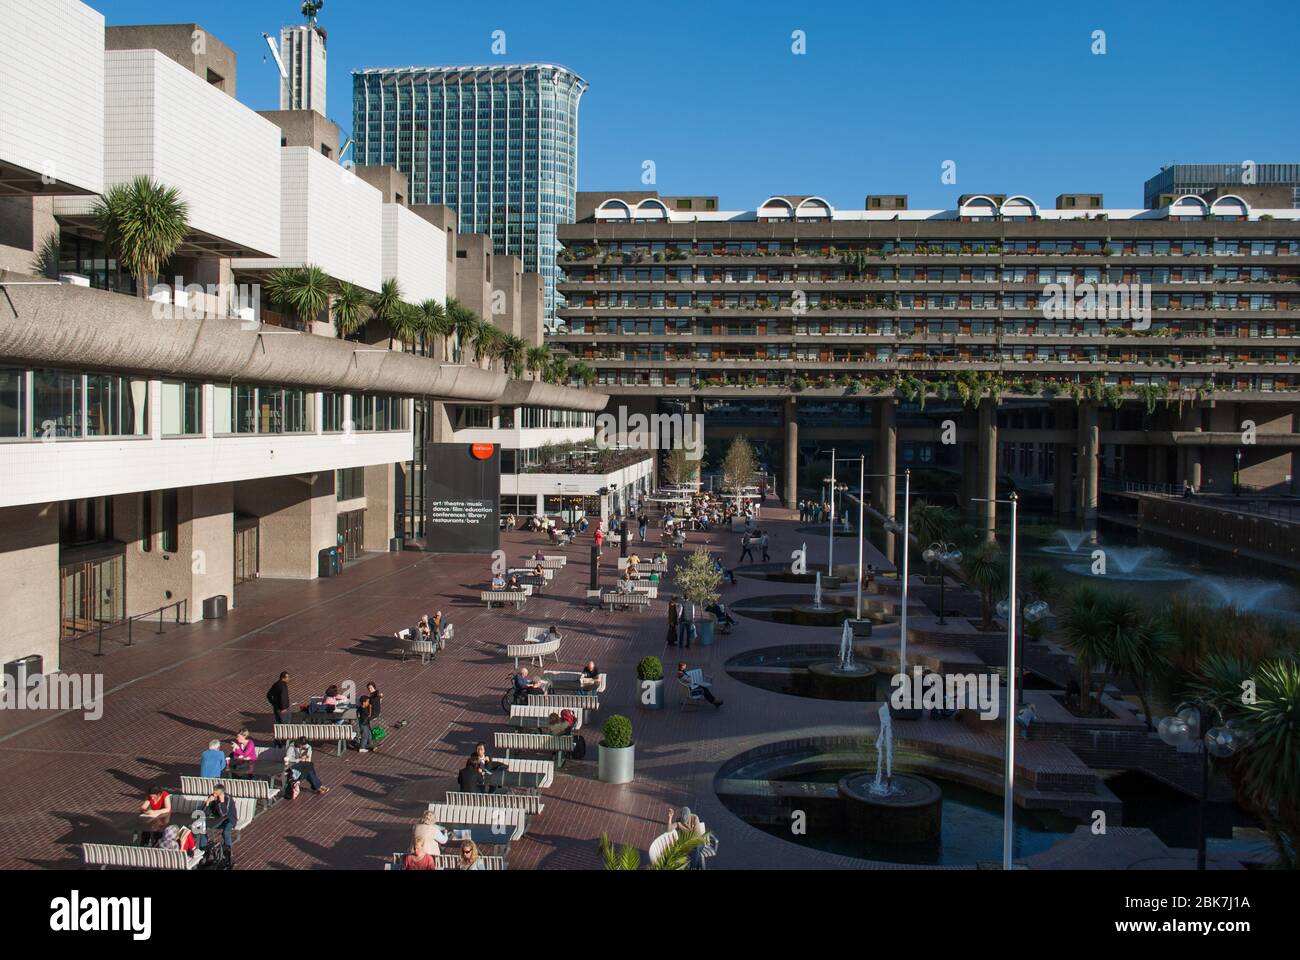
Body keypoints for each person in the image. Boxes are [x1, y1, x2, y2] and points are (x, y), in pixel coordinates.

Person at [205, 783, 238, 852]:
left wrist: (222, 802)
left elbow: (223, 813)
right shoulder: (212, 797)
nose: (214, 795)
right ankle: (204, 847)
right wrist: (208, 802)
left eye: (216, 794)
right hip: (217, 820)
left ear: (221, 794)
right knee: (201, 826)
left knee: (226, 831)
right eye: (213, 793)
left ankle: (228, 851)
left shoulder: (228, 798)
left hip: (230, 819)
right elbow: (206, 813)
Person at [266, 671, 291, 746]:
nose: (289, 679)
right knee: (285, 726)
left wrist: (273, 703)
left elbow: (268, 695)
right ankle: (284, 743)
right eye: (287, 677)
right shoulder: (283, 686)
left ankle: (277, 742)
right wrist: (283, 708)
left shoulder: (276, 684)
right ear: (283, 678)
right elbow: (283, 697)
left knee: (278, 724)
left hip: (276, 708)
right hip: (283, 710)